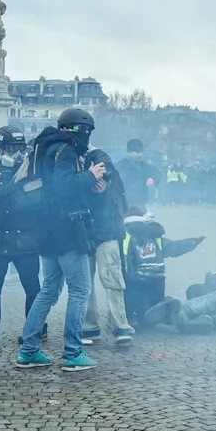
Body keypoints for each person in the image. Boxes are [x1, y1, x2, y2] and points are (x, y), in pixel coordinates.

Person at [15, 108, 106, 372]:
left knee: (49, 289)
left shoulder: (44, 147)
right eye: (85, 130)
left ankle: (29, 349)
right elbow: (62, 186)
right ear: (75, 129)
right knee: (79, 290)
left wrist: (89, 186)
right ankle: (73, 353)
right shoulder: (65, 150)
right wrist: (91, 175)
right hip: (67, 229)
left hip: (46, 229)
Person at [0, 125, 42, 346]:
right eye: (10, 148)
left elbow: (32, 203)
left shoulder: (31, 172)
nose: (15, 153)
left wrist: (12, 180)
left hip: (25, 240)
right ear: (1, 149)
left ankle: (36, 328)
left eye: (19, 148)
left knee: (32, 287)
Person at [81, 145, 134, 345]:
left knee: (111, 279)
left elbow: (108, 171)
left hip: (106, 232)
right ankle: (90, 326)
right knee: (85, 284)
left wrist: (102, 184)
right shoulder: (73, 162)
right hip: (86, 232)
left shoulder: (99, 158)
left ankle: (120, 326)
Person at [121, 206, 205, 324]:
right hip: (158, 281)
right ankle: (165, 309)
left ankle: (140, 314)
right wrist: (193, 242)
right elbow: (174, 248)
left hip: (135, 283)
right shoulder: (155, 235)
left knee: (129, 314)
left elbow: (123, 262)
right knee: (149, 313)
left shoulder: (125, 236)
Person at [144, 272, 216, 334]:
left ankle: (171, 316)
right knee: (206, 318)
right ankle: (185, 324)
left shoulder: (213, 283)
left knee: (188, 308)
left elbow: (215, 283)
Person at [116, 138, 160, 211]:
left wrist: (153, 178)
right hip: (123, 204)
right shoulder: (119, 166)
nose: (140, 155)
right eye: (137, 152)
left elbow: (157, 173)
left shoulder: (144, 166)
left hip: (140, 204)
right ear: (129, 152)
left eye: (141, 152)